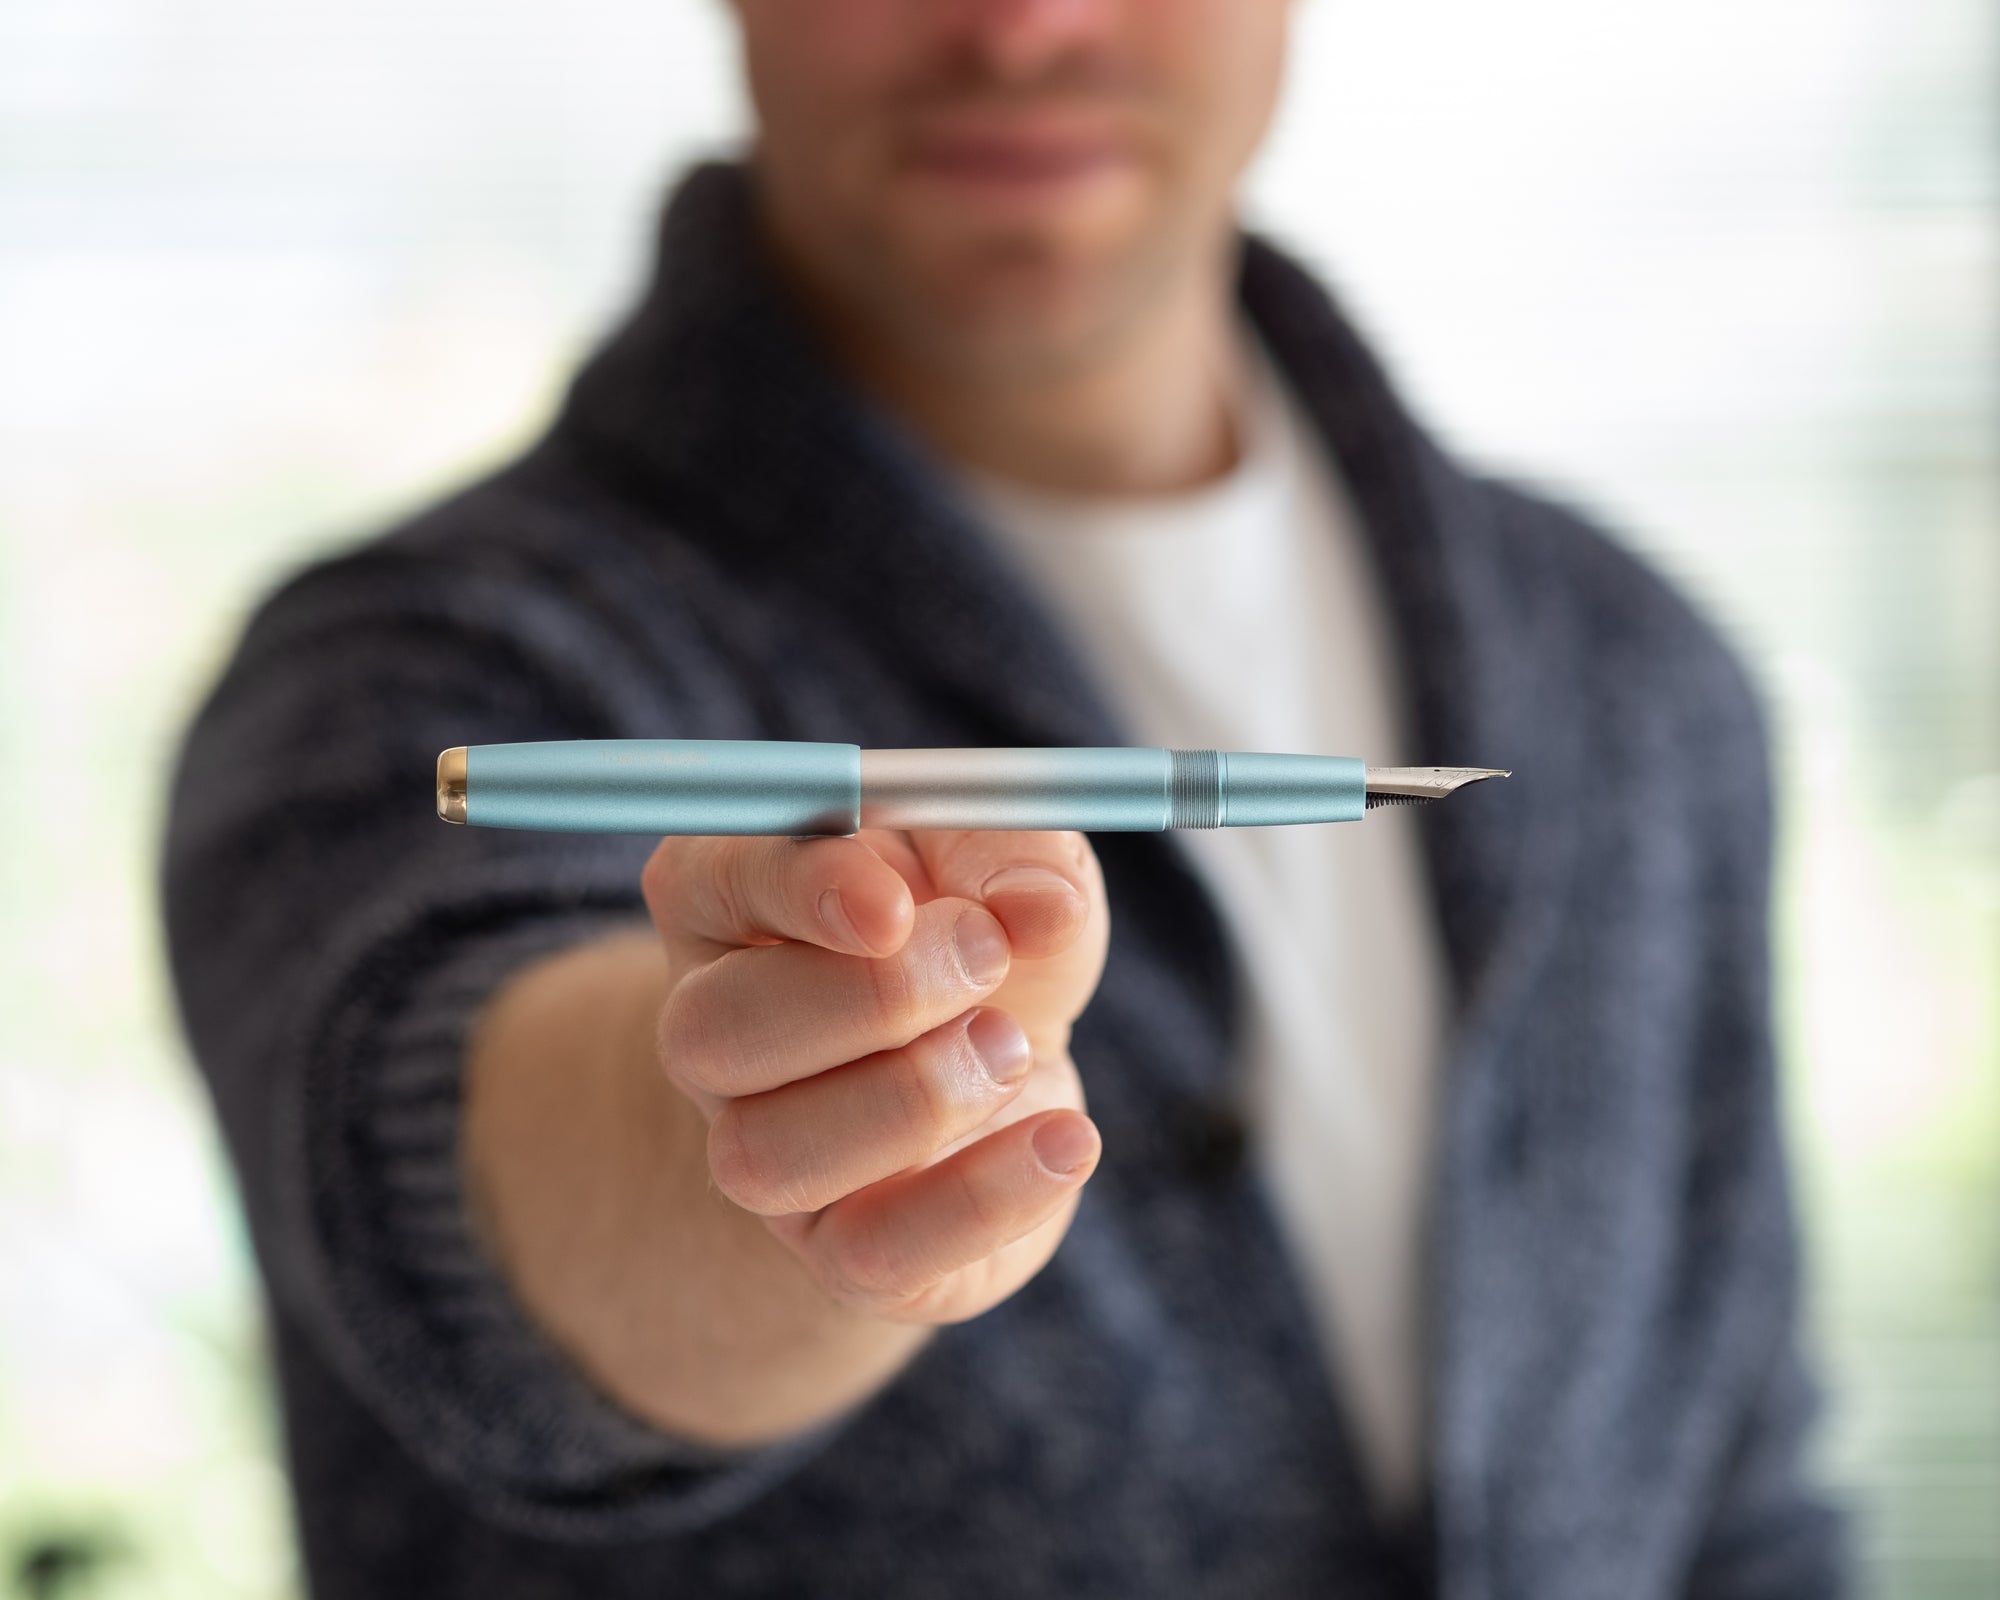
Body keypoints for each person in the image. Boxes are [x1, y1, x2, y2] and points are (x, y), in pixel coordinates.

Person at [160, 2, 1852, 1595]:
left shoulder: (1639, 676)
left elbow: (1740, 1509)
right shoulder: (398, 677)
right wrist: (783, 1136)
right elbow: (471, 1194)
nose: (1024, 28)